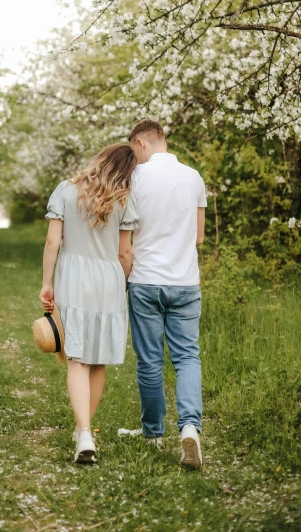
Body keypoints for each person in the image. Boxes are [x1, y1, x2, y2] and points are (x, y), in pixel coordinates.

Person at [39, 144, 138, 464]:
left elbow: (53, 241)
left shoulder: (65, 191)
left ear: (100, 160)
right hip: (109, 278)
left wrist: (47, 283)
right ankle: (85, 430)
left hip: (74, 278)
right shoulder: (124, 199)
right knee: (97, 361)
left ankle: (83, 433)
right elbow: (125, 254)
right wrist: (123, 284)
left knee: (76, 358)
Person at [124, 119, 207, 470]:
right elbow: (199, 238)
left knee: (150, 360)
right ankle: (189, 427)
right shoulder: (193, 177)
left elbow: (125, 239)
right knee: (187, 357)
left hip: (145, 280)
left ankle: (154, 433)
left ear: (141, 143)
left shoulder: (135, 179)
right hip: (186, 281)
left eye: (133, 151)